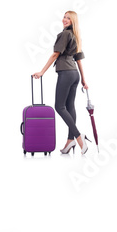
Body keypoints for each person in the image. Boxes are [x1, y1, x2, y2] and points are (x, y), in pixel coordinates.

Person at [33, 11, 89, 154]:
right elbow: (78, 60)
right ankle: (70, 141)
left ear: (73, 21)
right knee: (70, 107)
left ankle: (77, 136)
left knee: (59, 106)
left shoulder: (65, 34)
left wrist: (41, 72)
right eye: (64, 17)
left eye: (68, 18)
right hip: (75, 74)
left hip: (66, 73)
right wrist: (83, 79)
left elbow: (55, 54)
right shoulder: (76, 36)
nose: (64, 20)